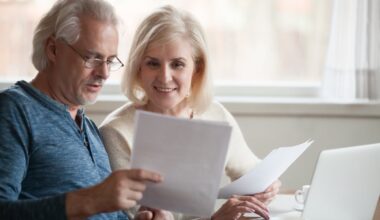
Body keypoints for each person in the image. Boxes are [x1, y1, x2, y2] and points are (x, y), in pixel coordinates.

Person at [100, 5, 281, 220]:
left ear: (197, 69)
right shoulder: (116, 132)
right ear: (138, 66)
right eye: (153, 63)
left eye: (177, 64)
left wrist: (268, 186)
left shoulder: (214, 114)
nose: (165, 77)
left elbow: (251, 171)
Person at [0, 0, 166, 219]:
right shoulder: (15, 110)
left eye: (109, 60)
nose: (104, 72)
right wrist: (90, 200)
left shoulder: (88, 127)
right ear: (53, 49)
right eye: (92, 57)